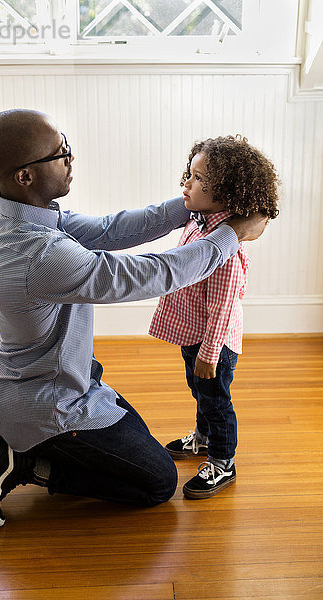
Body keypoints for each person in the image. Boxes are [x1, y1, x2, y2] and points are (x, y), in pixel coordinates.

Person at [0, 110, 268, 528]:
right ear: (25, 176)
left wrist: (188, 205)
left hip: (46, 379)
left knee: (139, 442)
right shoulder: (38, 254)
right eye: (60, 153)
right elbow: (150, 274)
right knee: (158, 483)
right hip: (49, 403)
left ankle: (26, 441)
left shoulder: (9, 215)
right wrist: (231, 234)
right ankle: (24, 462)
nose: (70, 157)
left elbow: (111, 229)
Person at [149, 135, 279, 499]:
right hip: (194, 333)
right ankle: (204, 438)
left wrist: (208, 353)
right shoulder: (198, 221)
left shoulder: (223, 248)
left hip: (213, 343)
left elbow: (222, 307)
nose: (185, 184)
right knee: (200, 392)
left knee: (216, 401)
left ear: (226, 192)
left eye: (198, 179)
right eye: (189, 174)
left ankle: (223, 462)